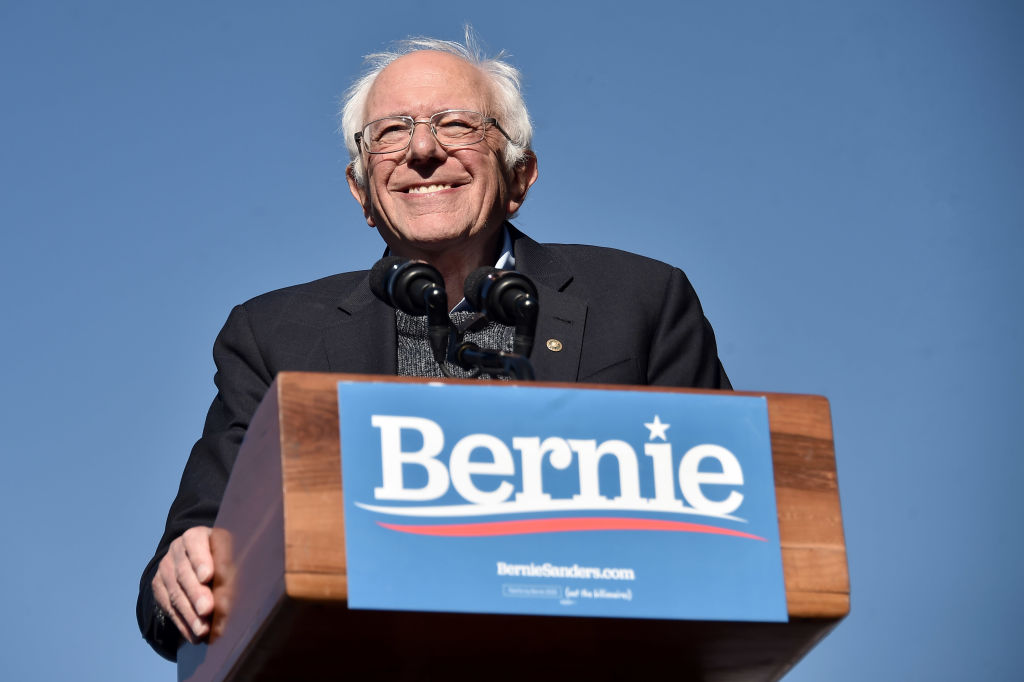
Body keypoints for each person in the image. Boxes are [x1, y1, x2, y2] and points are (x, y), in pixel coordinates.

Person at [138, 32, 731, 661]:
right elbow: (174, 581)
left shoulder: (641, 299)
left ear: (519, 176)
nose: (422, 150)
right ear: (361, 190)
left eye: (456, 124)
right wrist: (185, 566)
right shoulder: (274, 337)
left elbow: (731, 531)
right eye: (391, 132)